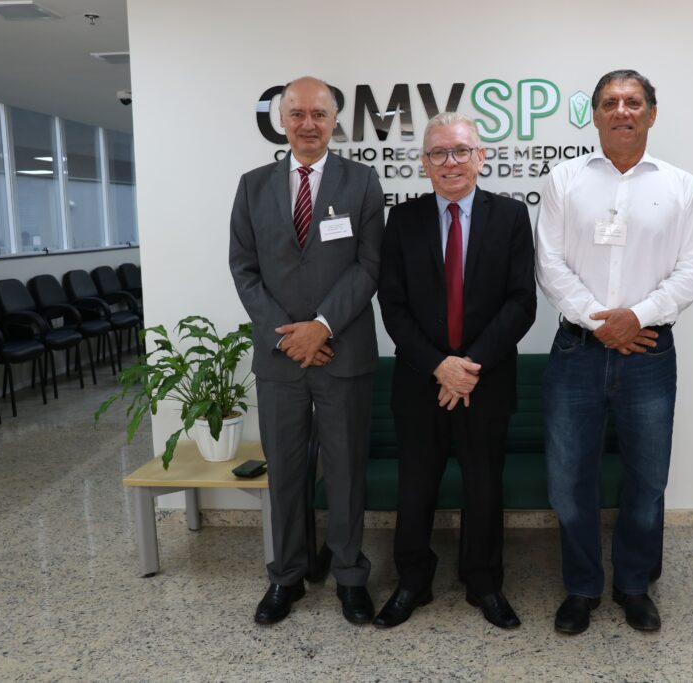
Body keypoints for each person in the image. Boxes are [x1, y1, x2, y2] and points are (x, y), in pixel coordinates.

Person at [534, 69, 693, 634]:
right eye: (610, 102)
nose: (622, 111)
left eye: (633, 102)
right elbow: (550, 264)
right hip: (577, 352)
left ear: (652, 114)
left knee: (647, 479)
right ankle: (582, 589)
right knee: (568, 478)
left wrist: (638, 318)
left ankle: (634, 586)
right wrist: (601, 322)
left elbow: (691, 270)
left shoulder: (682, 186)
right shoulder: (564, 181)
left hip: (650, 353)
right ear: (597, 115)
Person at [229, 76, 384, 626]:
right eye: (297, 113)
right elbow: (245, 271)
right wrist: (289, 334)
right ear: (281, 120)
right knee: (288, 471)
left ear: (335, 119)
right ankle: (288, 577)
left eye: (319, 113)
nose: (308, 123)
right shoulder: (251, 186)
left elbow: (369, 266)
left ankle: (348, 577)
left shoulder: (363, 182)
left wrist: (320, 327)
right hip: (279, 358)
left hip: (343, 352)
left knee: (344, 471)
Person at [374, 112, 536, 629]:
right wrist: (440, 366)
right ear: (423, 164)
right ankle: (412, 583)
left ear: (480, 157)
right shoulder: (403, 220)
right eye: (439, 153)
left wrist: (468, 368)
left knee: (484, 488)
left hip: (485, 382)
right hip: (420, 382)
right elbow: (393, 305)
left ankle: (485, 583)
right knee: (415, 487)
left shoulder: (511, 218)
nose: (451, 162)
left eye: (461, 150)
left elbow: (521, 303)